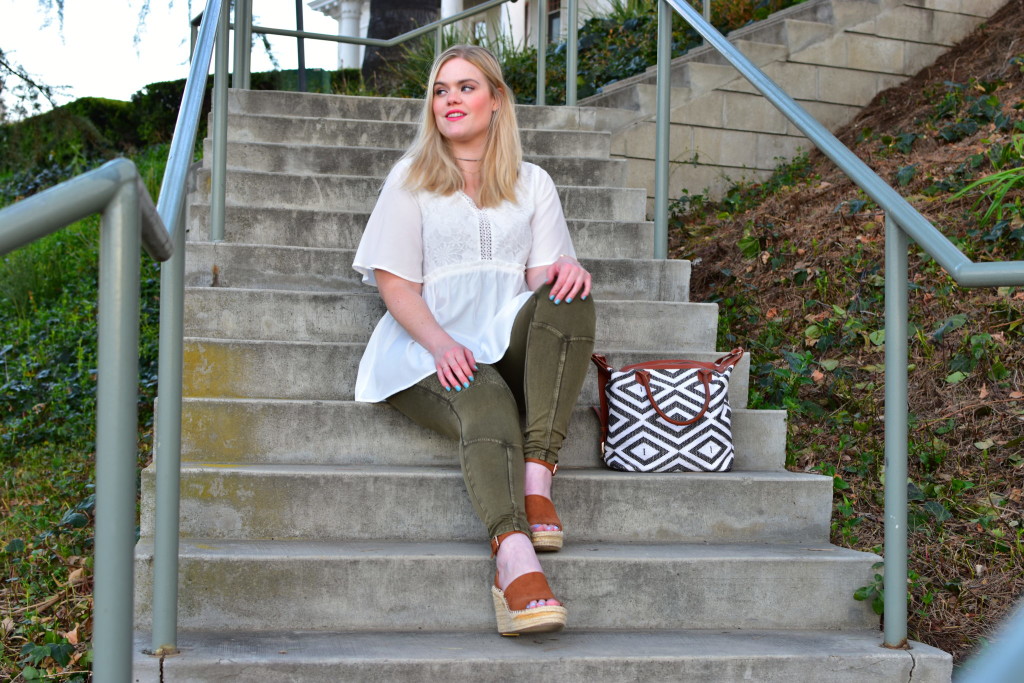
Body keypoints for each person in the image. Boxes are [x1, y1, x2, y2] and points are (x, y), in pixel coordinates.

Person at [352, 45, 596, 636]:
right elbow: (394, 282)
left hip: (505, 337)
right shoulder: (410, 178)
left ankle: (538, 477)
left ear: (496, 100)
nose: (451, 100)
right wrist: (440, 344)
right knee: (482, 396)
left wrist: (567, 272)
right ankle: (512, 557)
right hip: (425, 348)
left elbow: (538, 280)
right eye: (440, 90)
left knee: (570, 293)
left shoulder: (532, 182)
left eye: (465, 87)